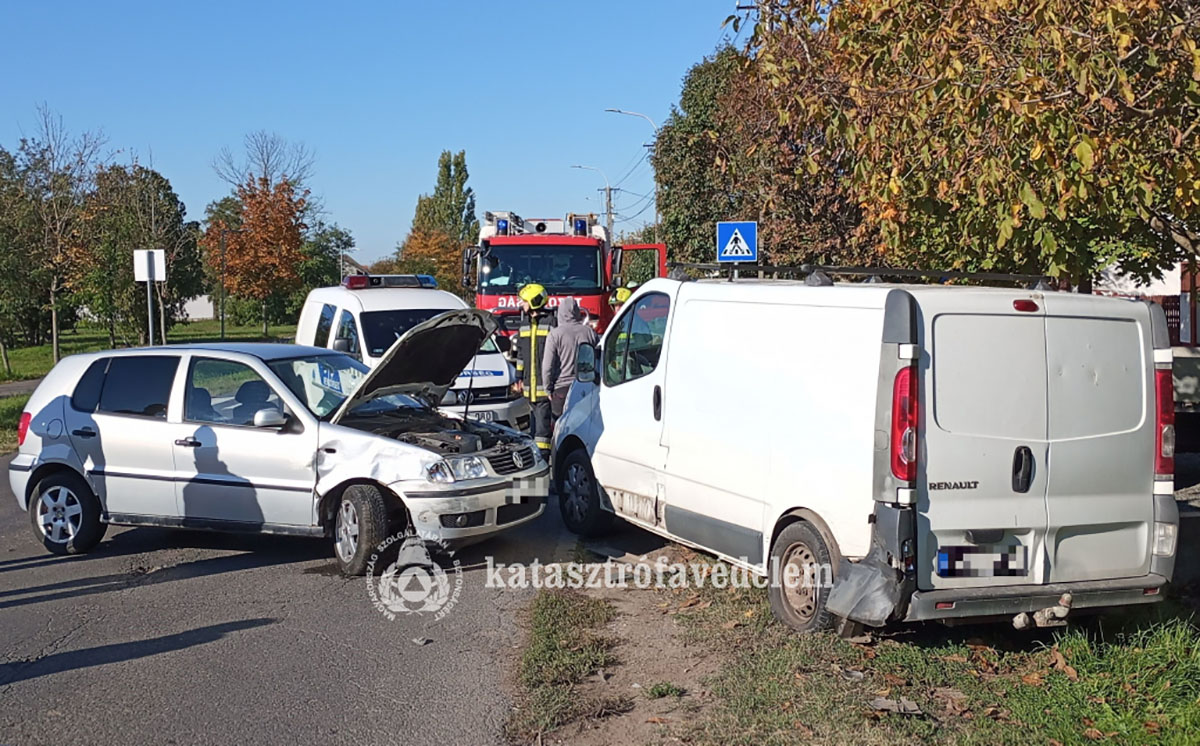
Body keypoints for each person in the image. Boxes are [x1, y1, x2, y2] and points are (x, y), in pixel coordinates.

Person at [514, 283, 555, 456]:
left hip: (543, 389)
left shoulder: (551, 323)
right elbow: (521, 354)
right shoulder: (524, 324)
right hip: (529, 390)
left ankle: (543, 470)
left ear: (533, 301)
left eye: (524, 301)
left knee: (542, 435)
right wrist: (518, 377)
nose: (520, 304)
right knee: (532, 432)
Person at [542, 297, 599, 421]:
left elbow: (547, 366)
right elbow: (599, 358)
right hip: (586, 387)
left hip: (561, 390)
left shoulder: (555, 335)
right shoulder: (589, 332)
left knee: (561, 430)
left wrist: (548, 389)